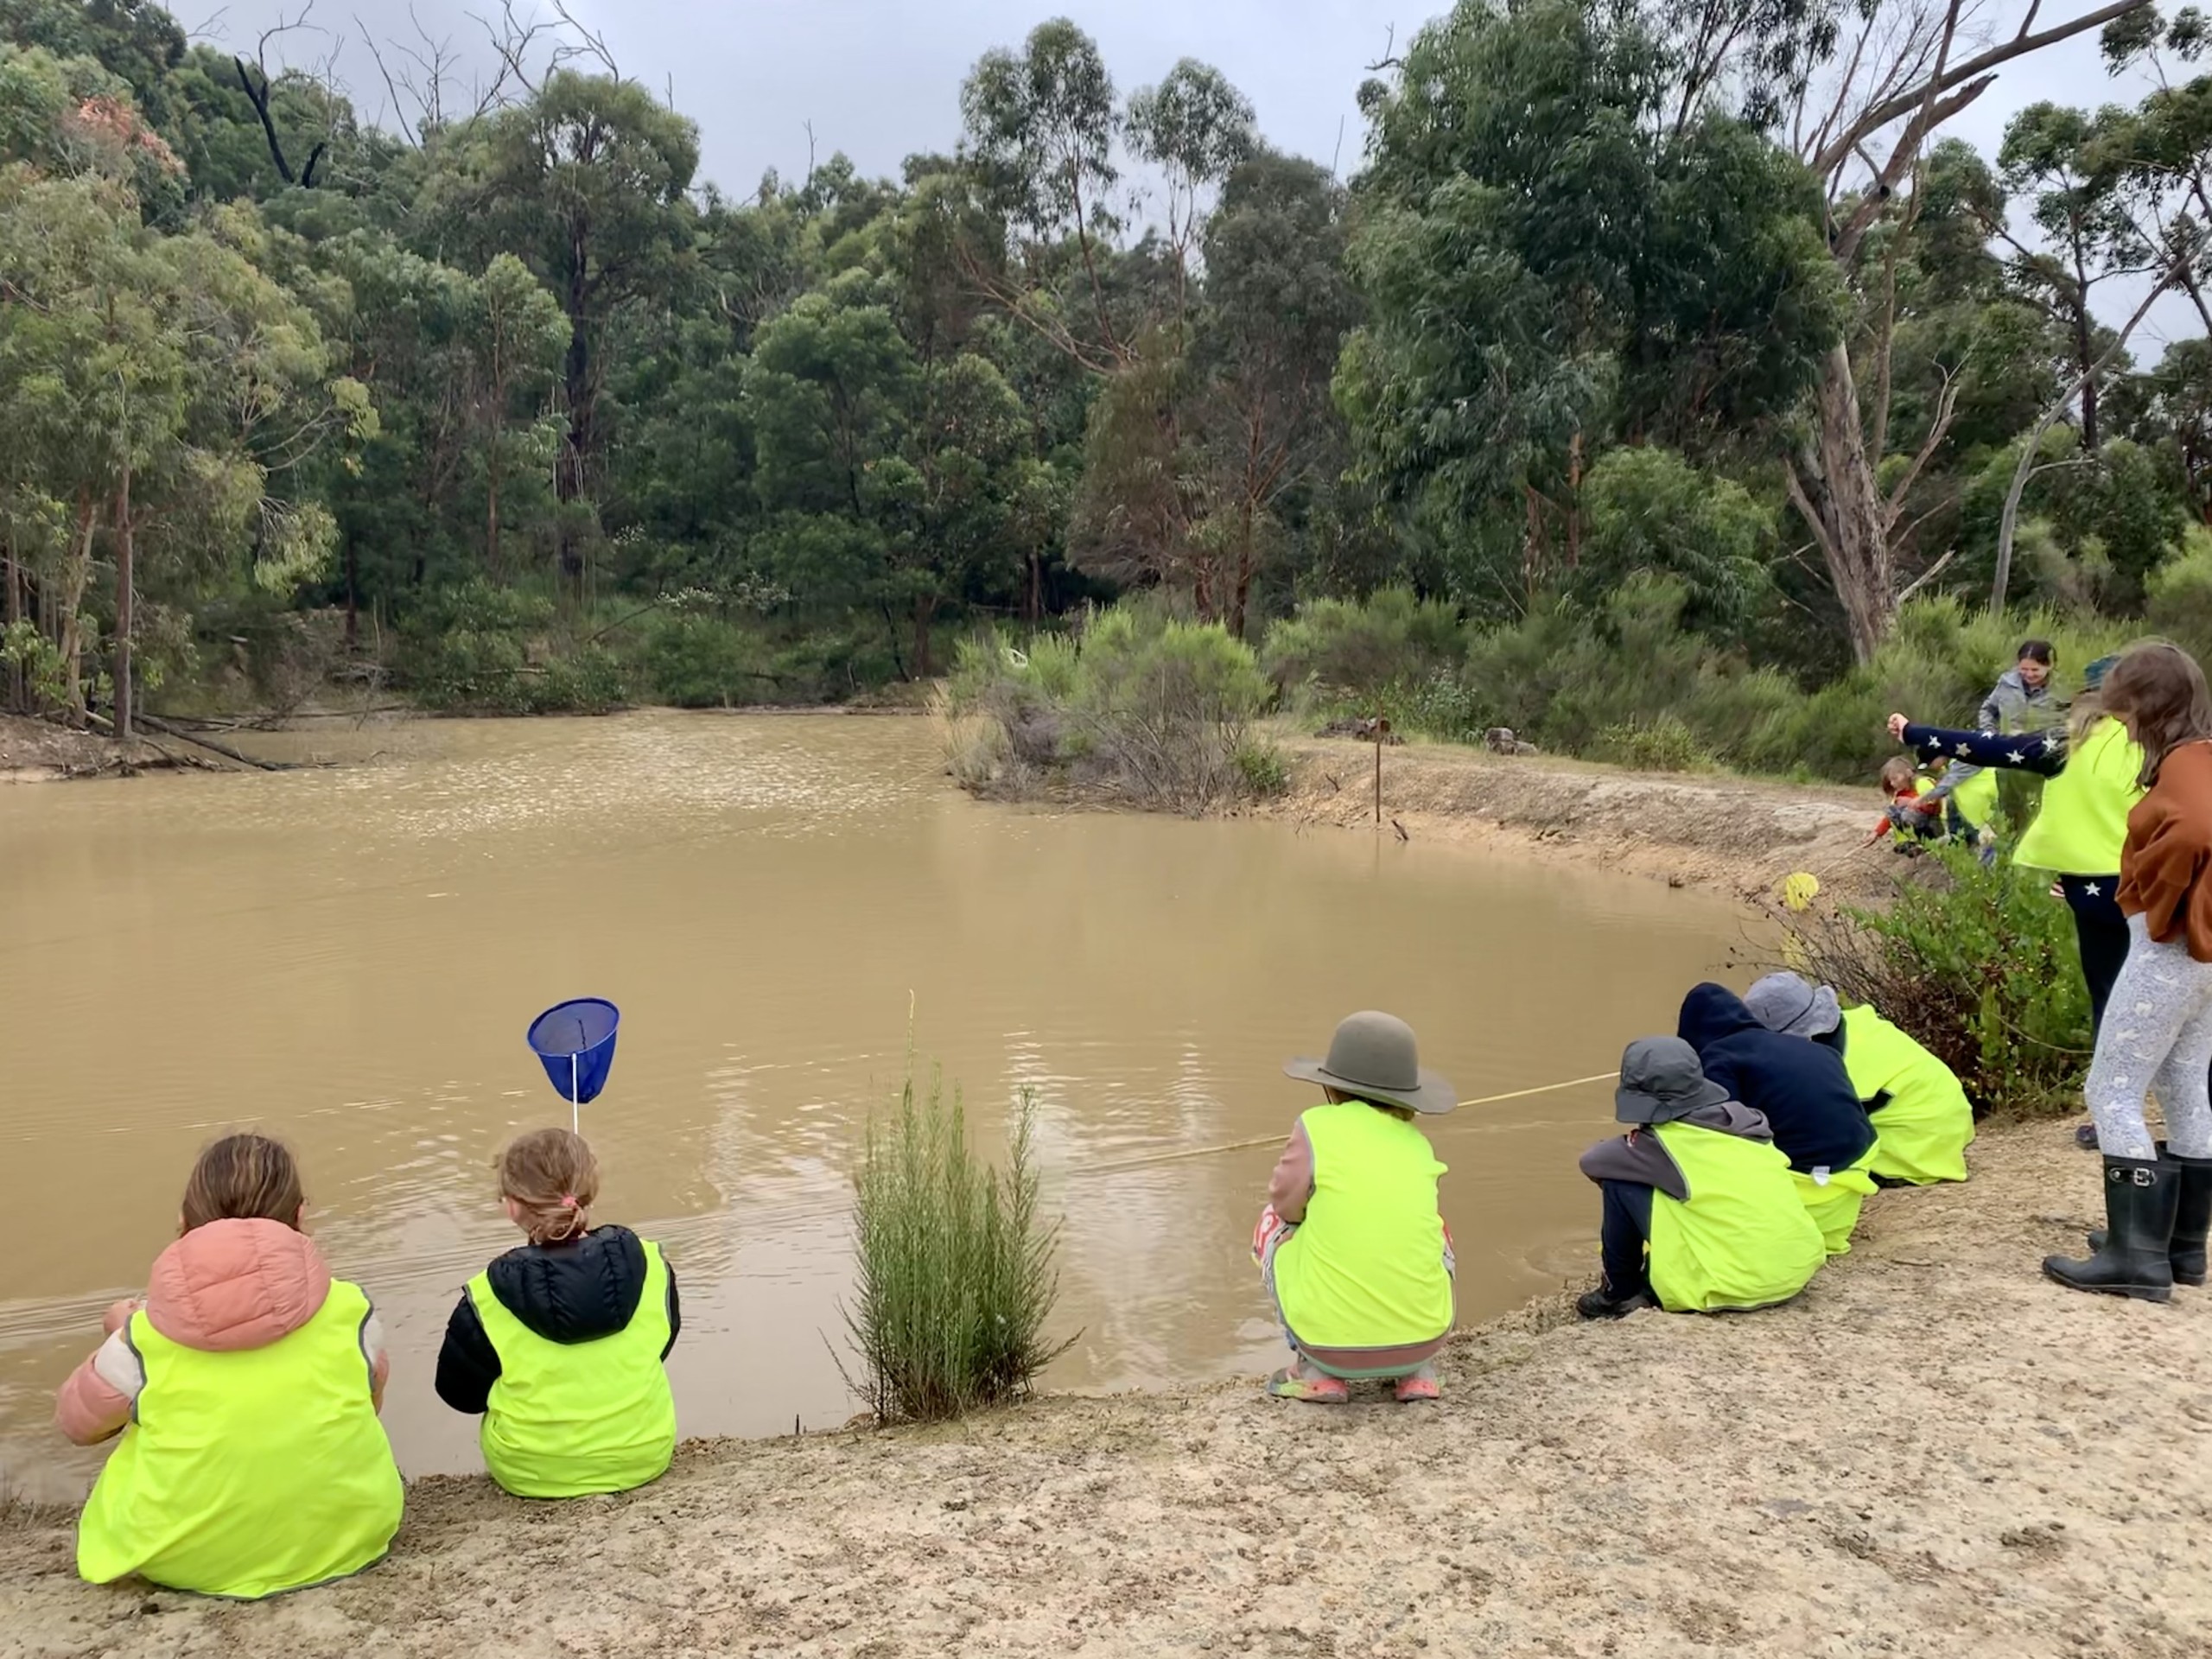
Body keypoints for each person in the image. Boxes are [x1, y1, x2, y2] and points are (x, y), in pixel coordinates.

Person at [55, 1134, 403, 1599]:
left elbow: (78, 1427)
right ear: (300, 1216)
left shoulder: (143, 1338)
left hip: (184, 1559)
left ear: (183, 1221)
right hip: (348, 1538)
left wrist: (121, 1335)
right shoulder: (352, 1310)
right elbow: (368, 1403)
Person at [1893, 656, 2145, 1147]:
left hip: (2094, 890)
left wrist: (1915, 732)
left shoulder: (2069, 742)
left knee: (2110, 999)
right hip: (2162, 888)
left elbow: (1992, 748)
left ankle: (2114, 1120)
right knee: (2180, 1001)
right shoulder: (2171, 746)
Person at [2044, 643, 2212, 1300]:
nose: (2121, 723)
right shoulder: (2201, 755)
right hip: (2198, 959)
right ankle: (2180, 1247)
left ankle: (2134, 1256)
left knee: (2110, 1090)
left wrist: (2159, 899)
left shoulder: (2183, 769)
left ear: (2148, 705)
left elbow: (2196, 833)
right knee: (2182, 1086)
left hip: (2167, 952)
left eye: (2124, 710)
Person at [435, 1128, 680, 1496]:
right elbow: (661, 1342)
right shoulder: (652, 1265)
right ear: (589, 1189)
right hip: (645, 1454)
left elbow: (460, 1396)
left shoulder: (487, 1295)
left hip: (533, 1473)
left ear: (512, 1206)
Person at [1254, 1011, 1455, 1404]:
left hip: (1328, 1345)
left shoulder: (1315, 1125)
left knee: (1270, 1222)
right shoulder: (1417, 1144)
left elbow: (1286, 1203)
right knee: (1437, 1231)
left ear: (1332, 1087)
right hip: (1425, 1340)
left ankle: (1316, 1370)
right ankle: (1416, 1372)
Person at [1575, 1038, 1827, 1318]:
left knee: (1619, 1183)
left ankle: (1618, 1292)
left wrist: (1630, 1150)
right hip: (1793, 1272)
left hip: (1731, 1287)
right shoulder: (1748, 1124)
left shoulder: (1659, 1147)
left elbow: (1592, 1162)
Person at [1677, 983, 1880, 1255]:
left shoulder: (1720, 1056)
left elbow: (1720, 1130)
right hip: (1855, 1162)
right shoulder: (1810, 1046)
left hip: (1802, 1172)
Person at [1743, 973, 1974, 1186]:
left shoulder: (1841, 1068)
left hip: (1916, 1156)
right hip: (1948, 1128)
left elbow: (1824, 1134)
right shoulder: (1858, 1024)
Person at [1980, 639, 2061, 734]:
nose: (2029, 674)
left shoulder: (2062, 690)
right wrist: (1990, 733)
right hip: (2008, 744)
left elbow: (2072, 723)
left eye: (2035, 670)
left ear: (2050, 666)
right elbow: (1988, 710)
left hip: (2044, 745)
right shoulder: (2007, 683)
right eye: (2024, 669)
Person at [1866, 756, 1942, 849]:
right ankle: (1906, 843)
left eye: (1895, 779)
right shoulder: (1900, 793)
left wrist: (1911, 803)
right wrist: (1877, 833)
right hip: (1920, 824)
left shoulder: (1922, 783)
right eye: (1890, 781)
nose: (1892, 784)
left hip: (1934, 825)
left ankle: (1927, 843)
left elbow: (1935, 807)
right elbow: (1889, 818)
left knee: (1907, 814)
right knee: (1892, 812)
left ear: (1908, 773)